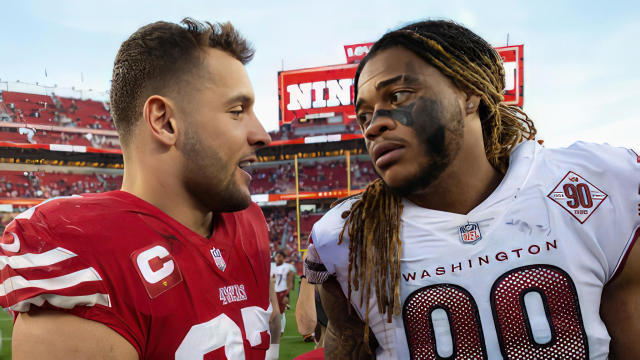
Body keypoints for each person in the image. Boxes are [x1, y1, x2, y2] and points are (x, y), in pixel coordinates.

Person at [305, 19, 640, 359]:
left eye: (399, 95)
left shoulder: (591, 184)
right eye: (364, 116)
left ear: (468, 93)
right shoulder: (349, 234)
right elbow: (347, 343)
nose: (374, 125)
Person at [1, 18, 275, 359]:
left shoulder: (249, 224)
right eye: (237, 111)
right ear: (164, 121)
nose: (263, 134)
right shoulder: (83, 251)